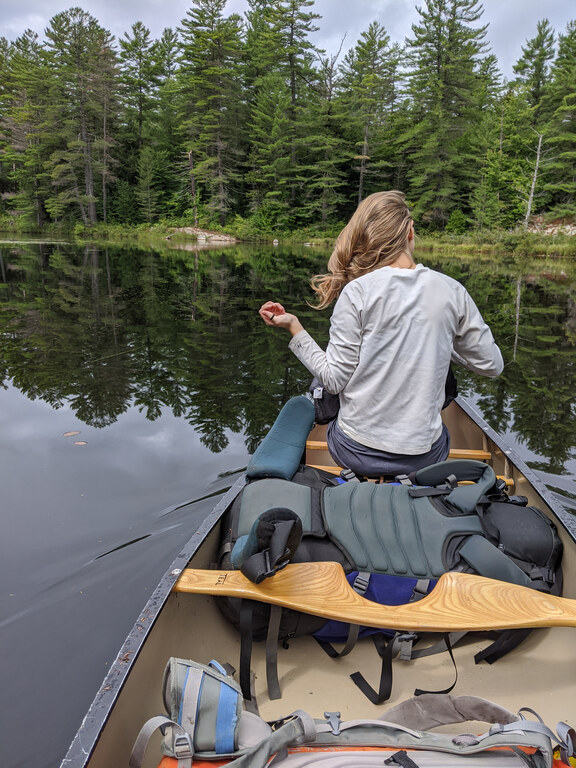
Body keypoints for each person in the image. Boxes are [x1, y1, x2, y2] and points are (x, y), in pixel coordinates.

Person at [258, 191, 503, 478]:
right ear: (410, 232)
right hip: (425, 457)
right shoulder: (452, 290)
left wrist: (293, 326)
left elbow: (334, 381)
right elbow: (491, 365)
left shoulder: (357, 292)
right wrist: (440, 337)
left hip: (353, 452)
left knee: (324, 377)